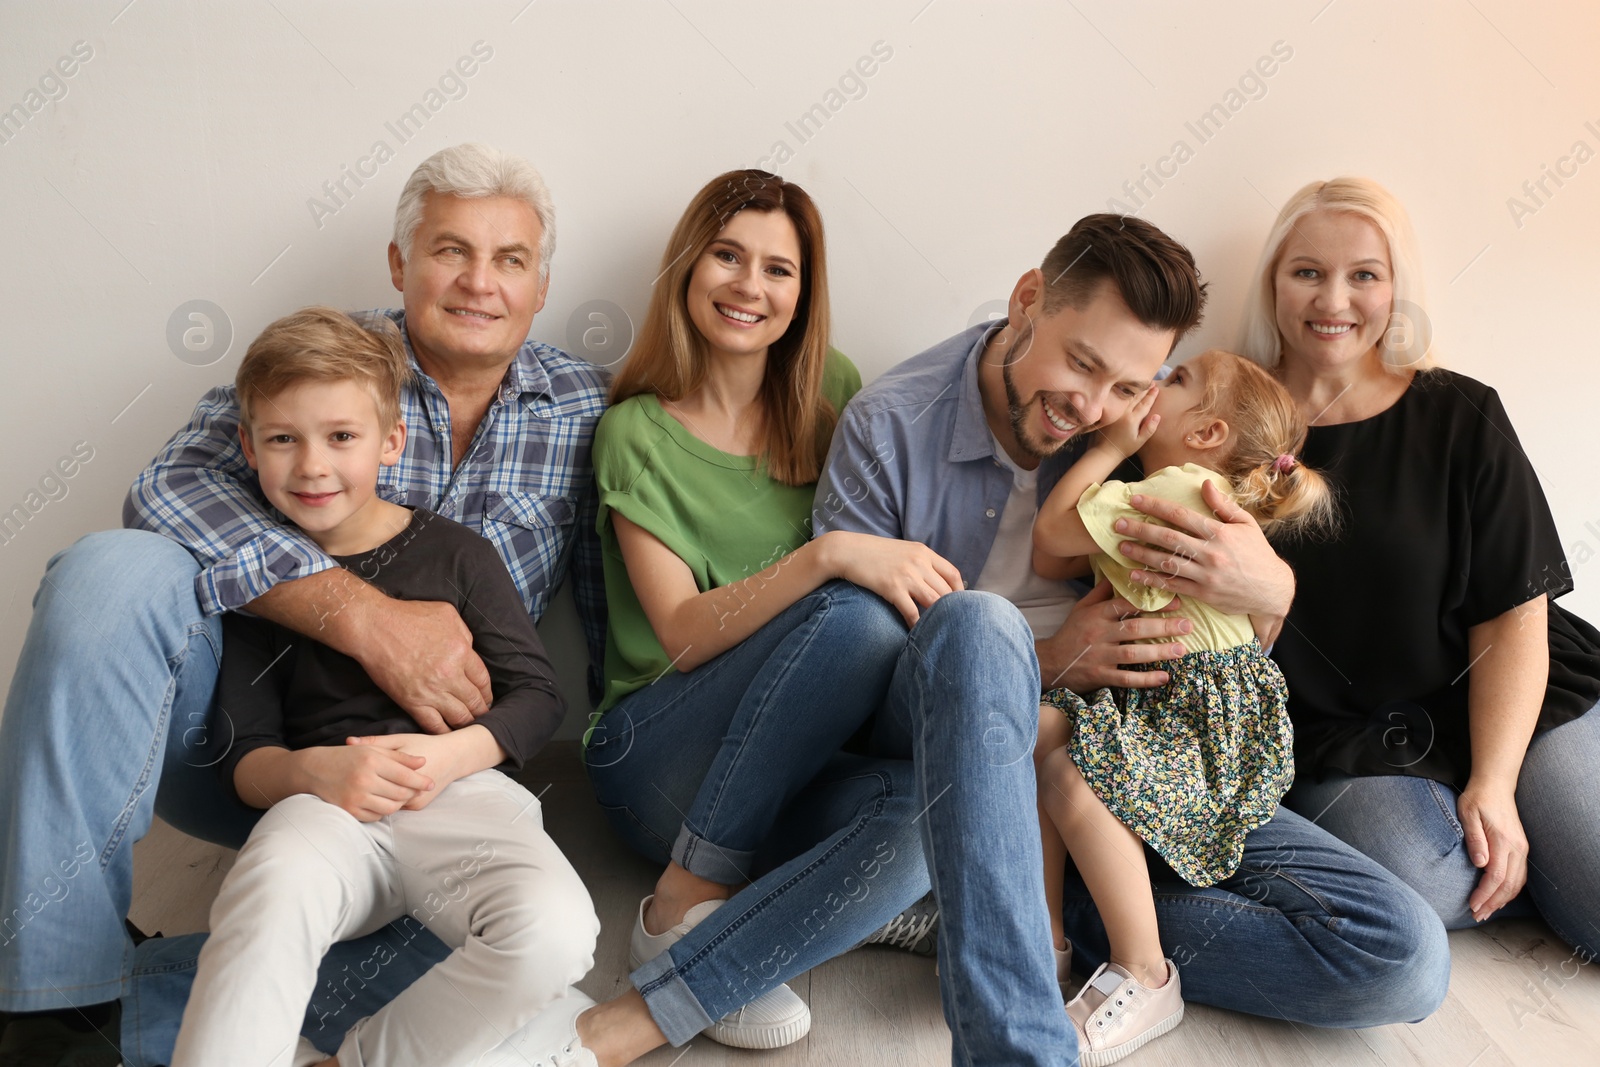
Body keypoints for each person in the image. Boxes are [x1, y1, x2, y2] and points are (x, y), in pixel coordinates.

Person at [0, 144, 610, 1067]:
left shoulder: (584, 402)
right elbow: (170, 487)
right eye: (451, 250)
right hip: (258, 751)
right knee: (112, 568)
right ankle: (53, 988)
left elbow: (561, 661)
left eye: (511, 259)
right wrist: (364, 621)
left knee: (504, 965)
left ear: (542, 281)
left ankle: (107, 1019)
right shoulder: (321, 360)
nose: (480, 283)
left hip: (443, 782)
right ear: (401, 264)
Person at [814, 212, 1451, 1043]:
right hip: (998, 757)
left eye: (1133, 387)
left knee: (1403, 955)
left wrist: (1277, 586)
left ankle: (1030, 918)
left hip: (1161, 746)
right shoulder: (890, 426)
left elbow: (1234, 630)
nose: (1096, 408)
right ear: (1027, 301)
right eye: (1082, 364)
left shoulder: (1148, 467)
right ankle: (1049, 921)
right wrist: (1049, 660)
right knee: (957, 779)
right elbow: (848, 672)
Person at [509, 169, 945, 1066]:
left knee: (919, 816)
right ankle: (684, 896)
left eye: (778, 270)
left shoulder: (834, 392)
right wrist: (824, 554)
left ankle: (683, 970)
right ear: (688, 268)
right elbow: (679, 630)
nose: (750, 286)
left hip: (791, 763)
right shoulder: (635, 429)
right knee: (855, 618)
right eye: (728, 256)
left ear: (804, 292)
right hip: (657, 753)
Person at [166, 307, 598, 1067]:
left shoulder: (457, 553)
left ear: (390, 442)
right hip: (326, 806)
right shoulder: (262, 581)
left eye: (341, 436)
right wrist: (314, 772)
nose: (312, 467)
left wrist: (447, 759)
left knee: (556, 930)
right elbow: (249, 754)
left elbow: (538, 695)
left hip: (459, 794)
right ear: (248, 446)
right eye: (282, 439)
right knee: (268, 891)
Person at [1237, 177, 1600, 960]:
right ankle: (1533, 859)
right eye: (1307, 271)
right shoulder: (1221, 424)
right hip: (1351, 735)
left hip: (1514, 691)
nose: (1334, 298)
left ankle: (1539, 841)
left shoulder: (1463, 414)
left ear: (1397, 287)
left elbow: (1515, 615)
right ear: (1272, 281)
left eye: (1364, 274)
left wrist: (1497, 783)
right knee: (1428, 883)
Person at [1031, 349, 1336, 1062]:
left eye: (1175, 381)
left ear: (1205, 435)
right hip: (1204, 710)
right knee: (1038, 723)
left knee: (1068, 771)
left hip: (1189, 717)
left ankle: (1146, 970)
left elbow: (1049, 544)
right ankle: (1042, 942)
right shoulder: (1191, 492)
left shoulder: (1167, 488)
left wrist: (1109, 445)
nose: (1152, 386)